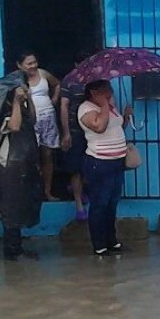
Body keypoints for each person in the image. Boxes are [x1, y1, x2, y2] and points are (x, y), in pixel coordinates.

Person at [0, 74, 44, 261]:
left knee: (20, 205)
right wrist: (16, 102)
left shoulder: (23, 107)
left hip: (23, 165)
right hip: (8, 166)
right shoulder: (4, 113)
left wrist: (28, 99)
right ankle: (12, 249)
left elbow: (33, 119)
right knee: (11, 207)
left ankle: (17, 246)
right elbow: (15, 125)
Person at [78, 80, 132, 256]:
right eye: (105, 90)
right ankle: (99, 244)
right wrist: (103, 105)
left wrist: (124, 116)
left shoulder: (110, 106)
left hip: (117, 161)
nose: (110, 92)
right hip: (99, 163)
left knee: (112, 203)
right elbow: (99, 127)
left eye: (109, 89)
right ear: (94, 92)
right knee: (100, 203)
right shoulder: (85, 109)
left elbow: (115, 128)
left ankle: (112, 240)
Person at [16, 51, 61, 202]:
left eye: (34, 62)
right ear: (19, 65)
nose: (33, 66)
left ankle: (47, 192)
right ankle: (32, 193)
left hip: (48, 119)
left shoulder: (43, 74)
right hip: (29, 122)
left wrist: (54, 99)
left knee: (47, 155)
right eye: (29, 63)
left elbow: (57, 84)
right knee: (30, 157)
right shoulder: (16, 80)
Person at [59, 50, 93, 221]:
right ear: (76, 65)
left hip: (93, 131)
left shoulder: (96, 80)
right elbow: (64, 106)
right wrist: (66, 132)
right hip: (75, 130)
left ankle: (81, 191)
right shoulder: (69, 80)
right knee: (75, 169)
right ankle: (79, 206)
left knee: (89, 168)